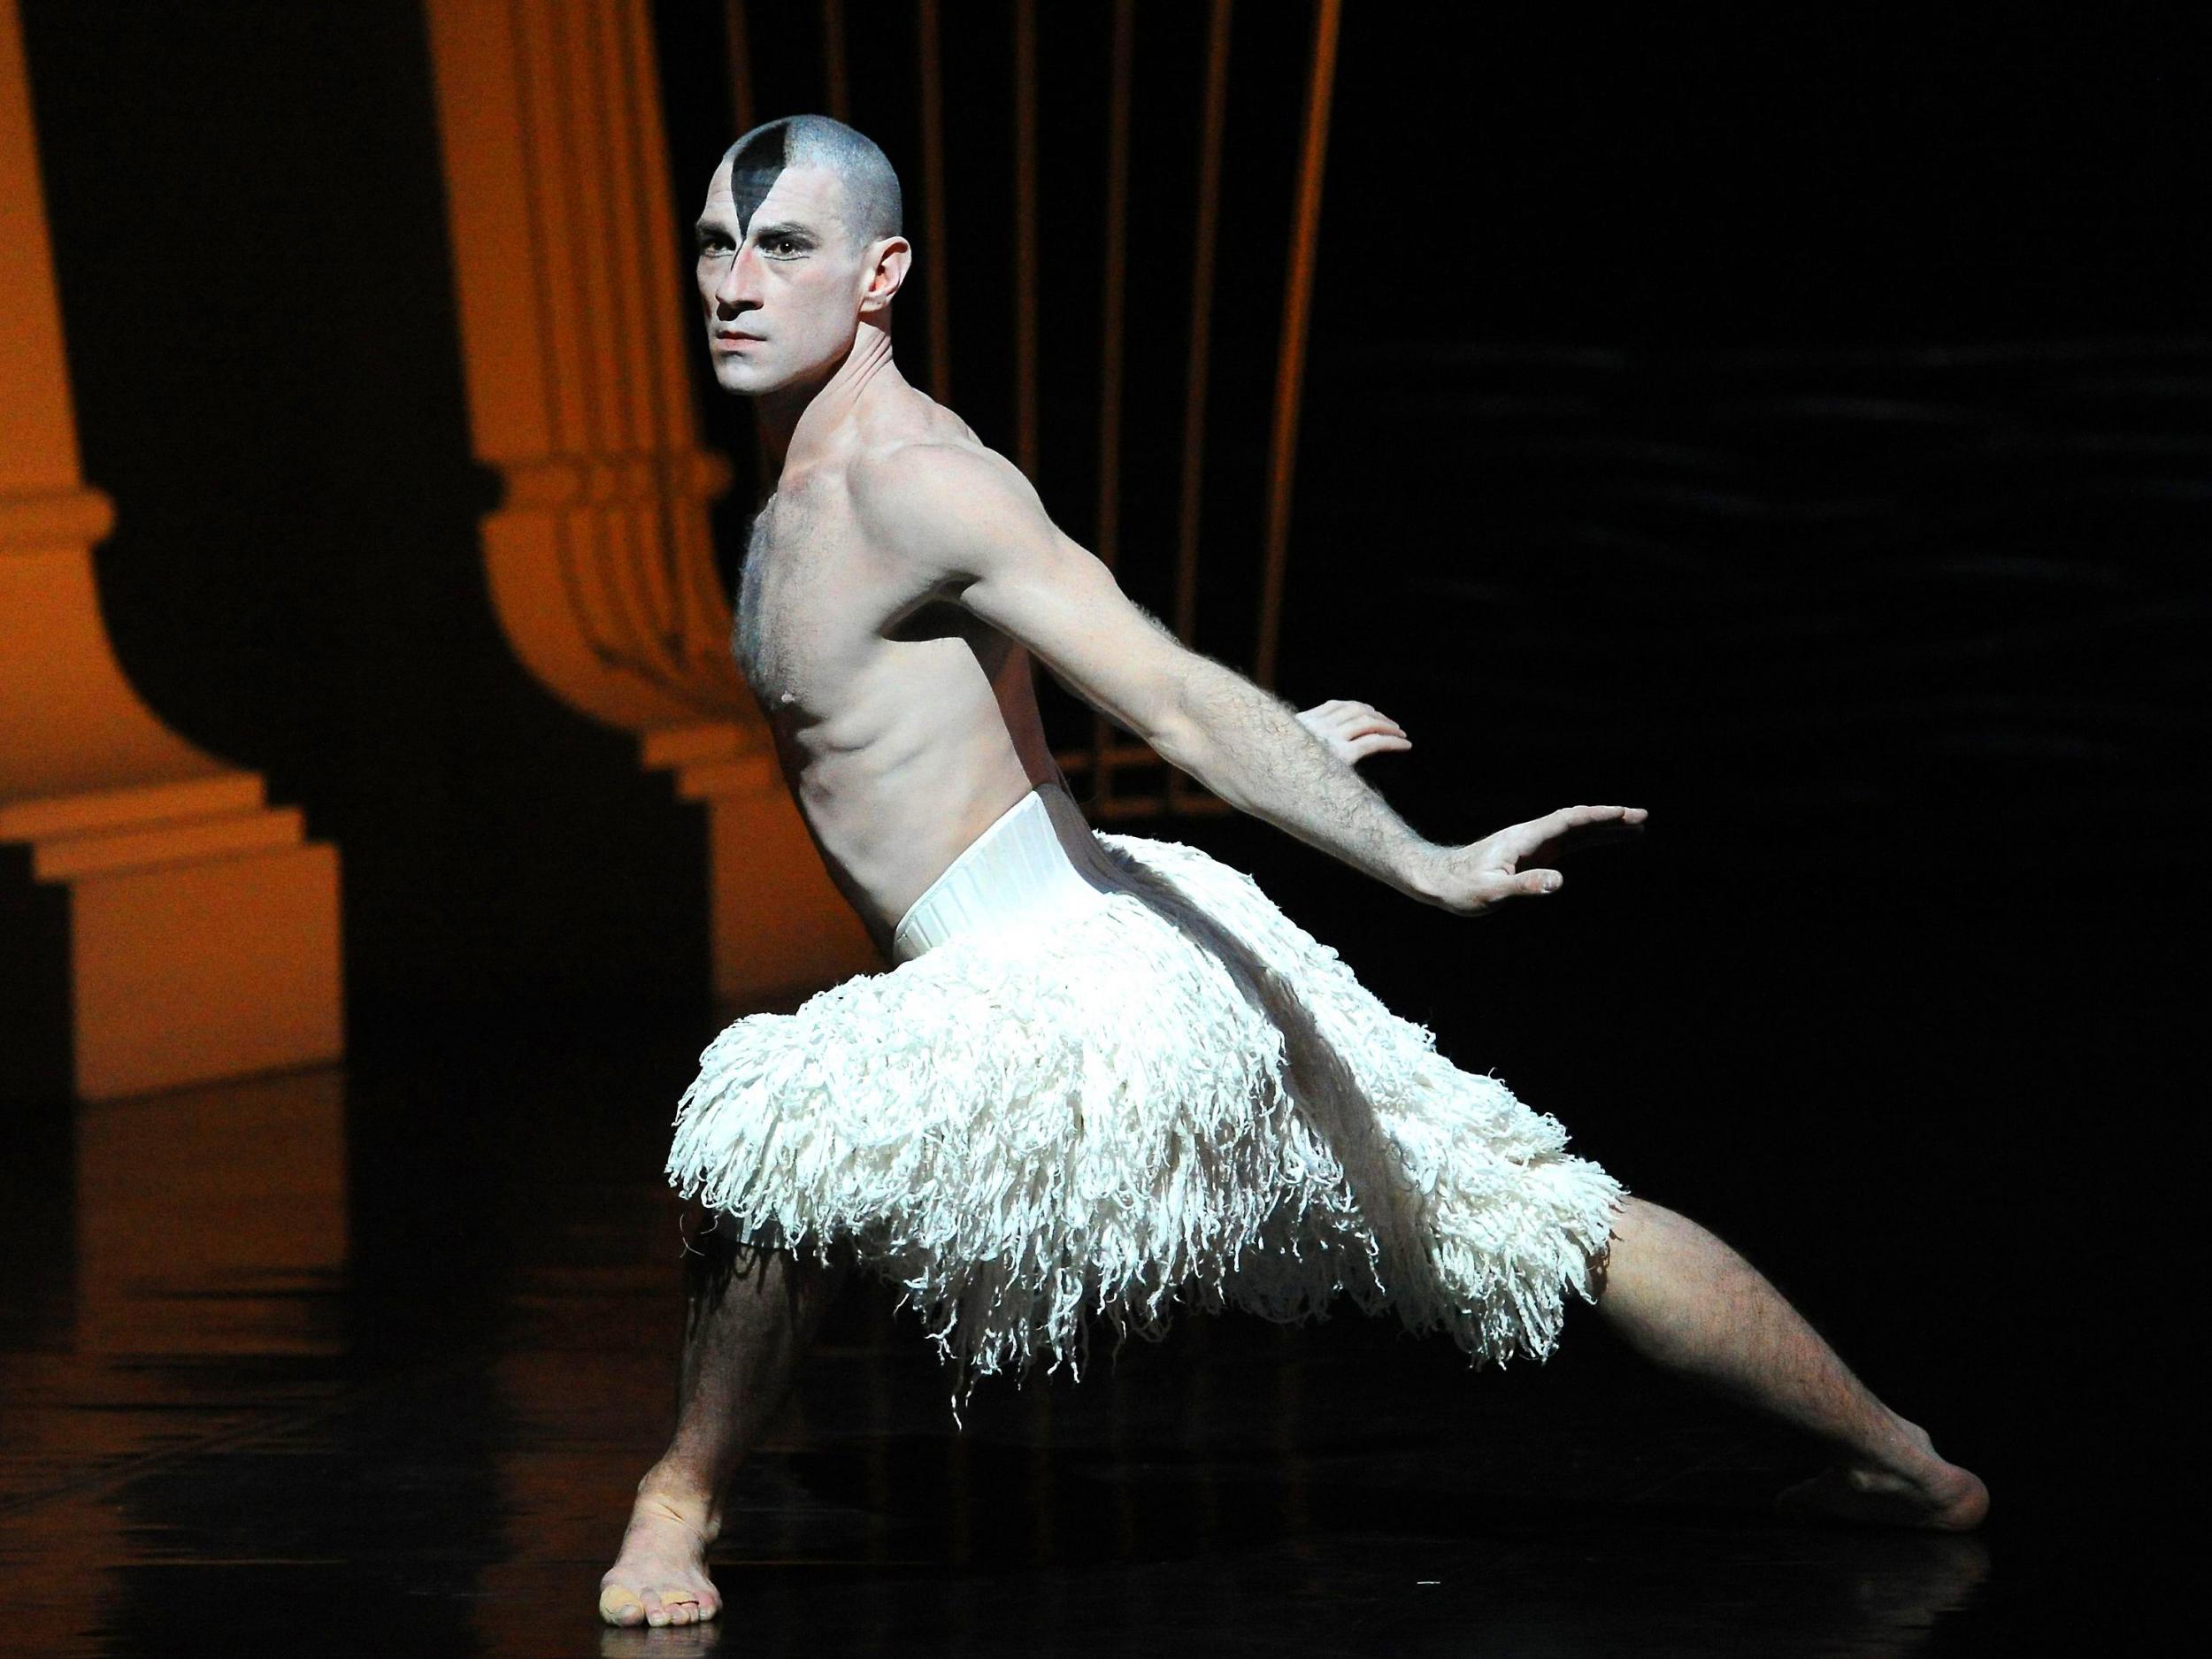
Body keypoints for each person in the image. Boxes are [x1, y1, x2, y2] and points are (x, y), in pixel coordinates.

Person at [597, 115, 1987, 1631]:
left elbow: (1174, 692)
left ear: (883, 275)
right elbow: (1006, 723)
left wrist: (1420, 862)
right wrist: (1300, 748)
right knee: (1542, 1215)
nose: (734, 284)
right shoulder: (799, 488)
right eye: (716, 248)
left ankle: (677, 1505)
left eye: (781, 247)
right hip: (1134, 916)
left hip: (1076, 981)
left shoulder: (920, 483)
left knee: (779, 1137)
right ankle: (1907, 1463)